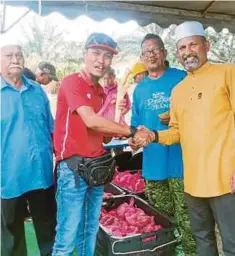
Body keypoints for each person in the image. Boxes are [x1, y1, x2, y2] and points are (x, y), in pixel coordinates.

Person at [136, 21, 235, 256]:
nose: (188, 51)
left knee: (232, 243)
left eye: (193, 45)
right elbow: (176, 131)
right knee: (203, 240)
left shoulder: (227, 73)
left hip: (225, 180)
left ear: (207, 45)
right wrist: (154, 135)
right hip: (192, 182)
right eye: (182, 47)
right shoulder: (179, 90)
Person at [52, 32, 152, 256]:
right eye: (96, 53)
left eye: (107, 56)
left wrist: (118, 116)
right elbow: (91, 121)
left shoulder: (100, 92)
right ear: (84, 54)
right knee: (67, 237)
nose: (101, 60)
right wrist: (133, 130)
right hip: (73, 170)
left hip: (97, 168)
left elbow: (103, 136)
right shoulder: (72, 82)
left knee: (89, 231)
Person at [127, 34, 196, 255]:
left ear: (164, 53)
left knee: (188, 219)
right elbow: (136, 125)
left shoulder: (182, 77)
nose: (151, 55)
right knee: (161, 219)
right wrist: (134, 139)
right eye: (147, 52)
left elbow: (198, 110)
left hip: (182, 163)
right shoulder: (139, 89)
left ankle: (191, 252)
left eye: (156, 50)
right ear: (142, 57)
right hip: (153, 166)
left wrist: (178, 115)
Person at [1, 45, 56, 256]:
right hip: (8, 175)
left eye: (19, 55)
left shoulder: (36, 90)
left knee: (47, 227)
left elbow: (50, 127)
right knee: (11, 233)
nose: (15, 59)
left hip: (40, 172)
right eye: (8, 55)